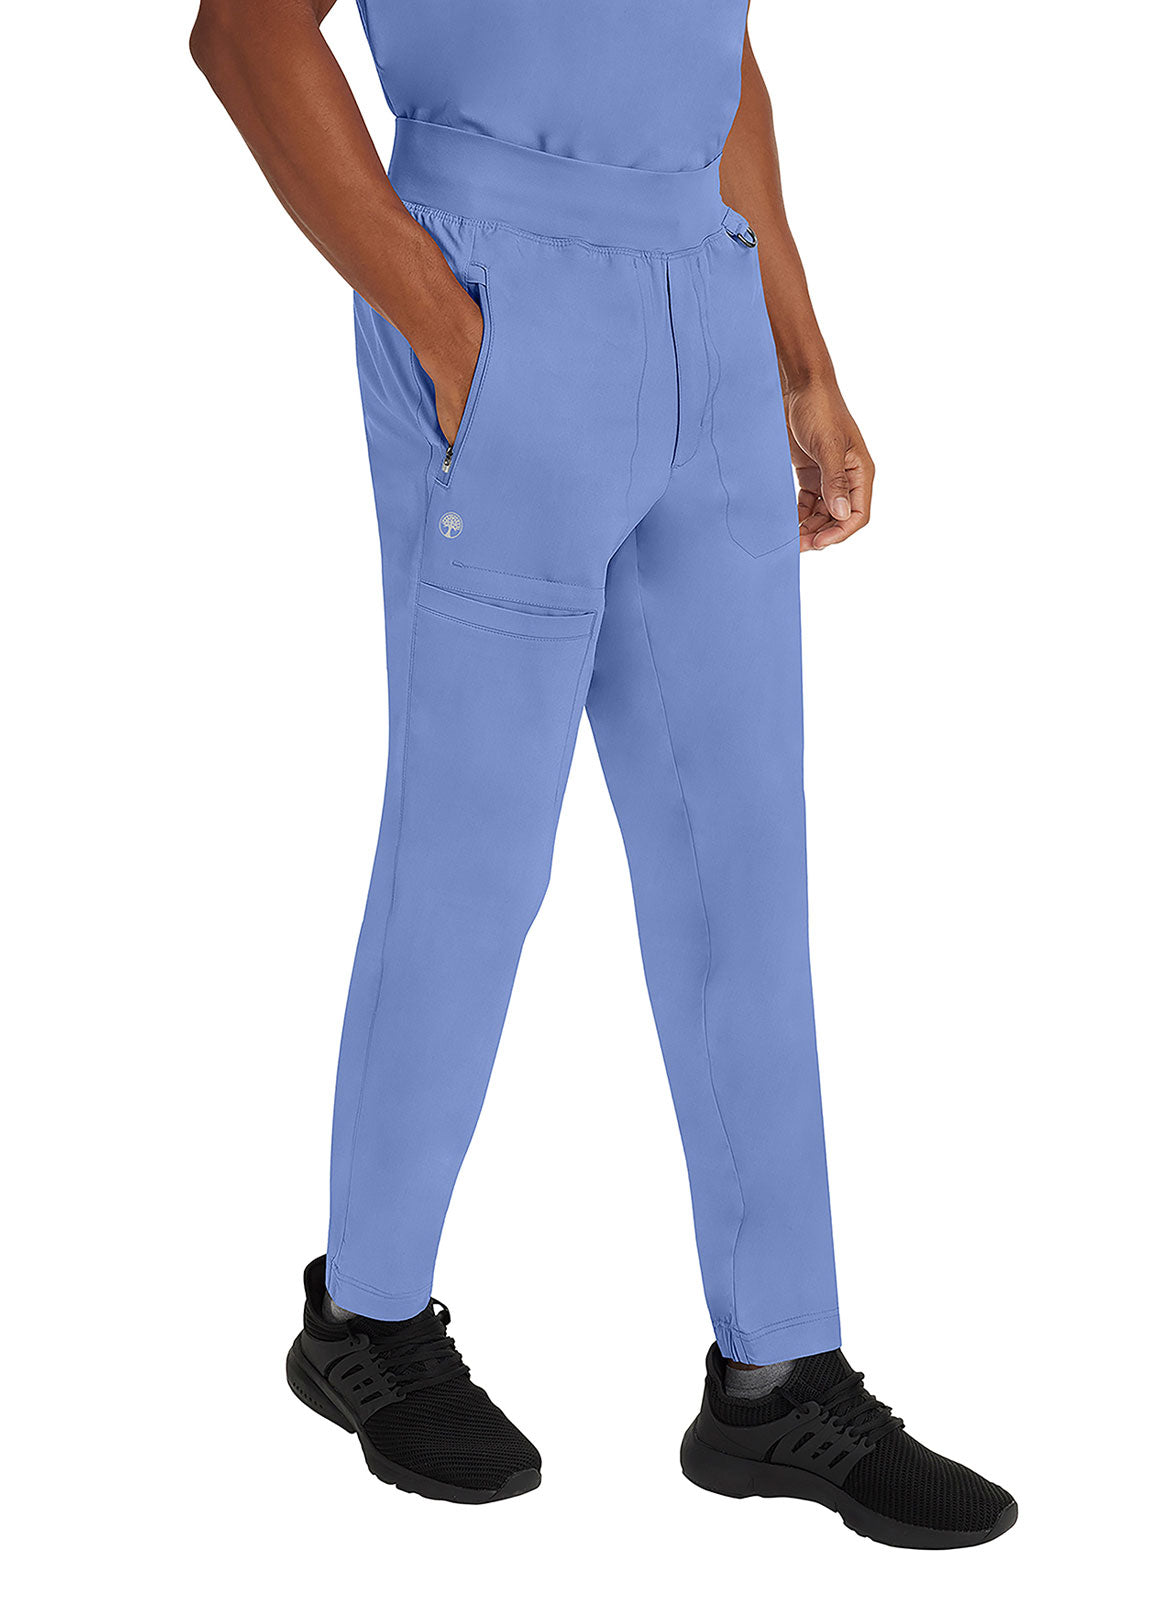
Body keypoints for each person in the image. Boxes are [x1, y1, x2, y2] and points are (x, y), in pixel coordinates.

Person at [191, 0, 1016, 1546]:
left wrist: (799, 358)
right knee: (475, 852)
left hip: (703, 294)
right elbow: (245, 32)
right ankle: (365, 1314)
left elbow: (716, 51)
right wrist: (446, 330)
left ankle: (781, 1374)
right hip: (497, 280)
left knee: (742, 872)